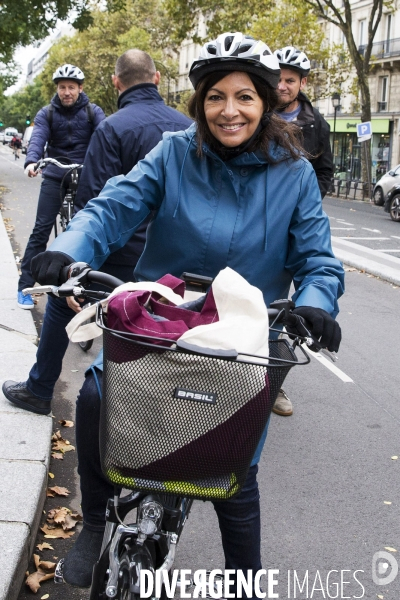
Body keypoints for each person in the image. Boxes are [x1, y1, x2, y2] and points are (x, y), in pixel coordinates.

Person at [28, 32, 344, 591]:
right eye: (216, 96)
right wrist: (70, 250)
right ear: (199, 103)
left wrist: (316, 306)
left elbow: (319, 261)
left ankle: (245, 579)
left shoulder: (294, 175)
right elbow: (113, 206)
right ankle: (95, 518)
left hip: (243, 342)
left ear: (266, 103)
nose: (230, 110)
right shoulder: (174, 152)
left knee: (235, 474)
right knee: (97, 396)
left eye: (245, 97)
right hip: (158, 325)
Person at [2, 50, 191, 415]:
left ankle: (41, 388)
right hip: (168, 259)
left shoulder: (113, 126)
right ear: (156, 79)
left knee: (61, 299)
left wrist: (75, 261)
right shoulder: (186, 128)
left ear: (116, 83)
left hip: (119, 253)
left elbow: (93, 202)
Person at [271, 45, 335, 417]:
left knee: (282, 308)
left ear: (302, 83)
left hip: (297, 224)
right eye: (278, 78)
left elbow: (324, 170)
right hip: (260, 216)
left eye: (290, 80)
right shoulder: (257, 110)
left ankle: (274, 385)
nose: (282, 86)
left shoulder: (317, 124)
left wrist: (310, 198)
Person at [16, 64, 105, 310]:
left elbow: (104, 137)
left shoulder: (93, 111)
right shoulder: (47, 113)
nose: (66, 92)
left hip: (85, 174)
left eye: (71, 87)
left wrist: (103, 165)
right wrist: (32, 161)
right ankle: (24, 286)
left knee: (88, 228)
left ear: (80, 88)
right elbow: (38, 138)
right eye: (62, 87)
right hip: (55, 174)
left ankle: (89, 286)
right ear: (57, 89)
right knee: (41, 229)